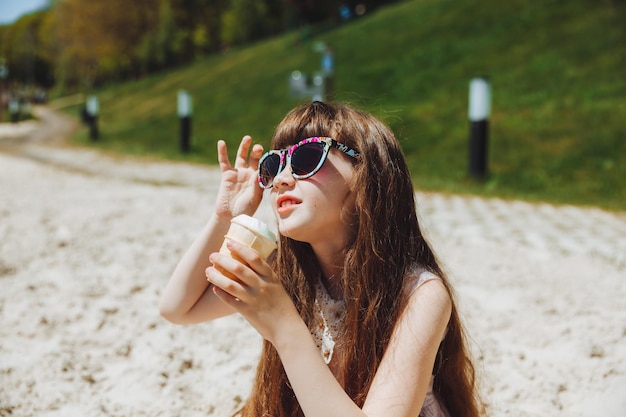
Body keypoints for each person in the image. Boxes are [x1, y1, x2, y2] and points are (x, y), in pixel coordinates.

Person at [159, 101, 482, 417]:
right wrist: (224, 217)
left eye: (307, 157)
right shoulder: (288, 273)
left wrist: (285, 327)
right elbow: (178, 309)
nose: (282, 178)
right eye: (273, 165)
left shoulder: (418, 293)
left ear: (371, 180)